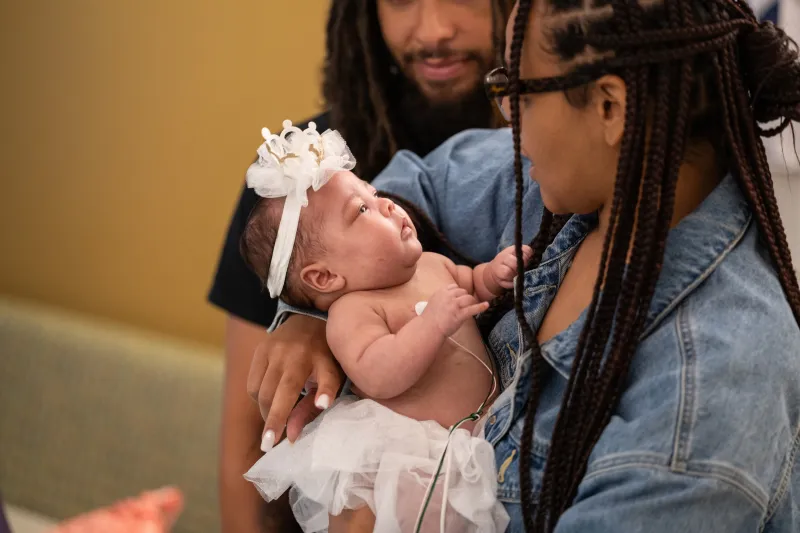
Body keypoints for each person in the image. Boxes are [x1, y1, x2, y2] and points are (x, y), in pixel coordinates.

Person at [252, 0, 800, 531]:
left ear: (610, 108)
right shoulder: (571, 185)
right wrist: (321, 316)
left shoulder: (703, 399)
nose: (505, 120)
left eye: (521, 94)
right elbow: (412, 185)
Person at [209, 2, 513, 531]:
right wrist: (310, 320)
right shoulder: (294, 184)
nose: (435, 30)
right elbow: (246, 449)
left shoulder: (539, 157)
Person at [236, 121, 524, 531]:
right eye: (362, 211)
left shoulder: (430, 265)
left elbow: (471, 284)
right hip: (415, 454)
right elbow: (380, 373)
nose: (387, 203)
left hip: (478, 436)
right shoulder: (352, 314)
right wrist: (431, 324)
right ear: (325, 278)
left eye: (373, 192)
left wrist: (493, 277)